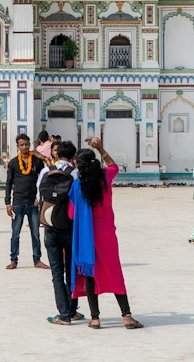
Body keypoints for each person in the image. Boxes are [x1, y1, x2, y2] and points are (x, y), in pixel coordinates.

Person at [70, 141, 143, 329]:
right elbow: (114, 166)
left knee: (89, 274)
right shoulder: (105, 178)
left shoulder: (77, 186)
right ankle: (126, 316)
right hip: (106, 234)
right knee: (114, 272)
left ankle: (95, 318)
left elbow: (72, 214)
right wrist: (100, 148)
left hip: (87, 236)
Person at [39, 139, 81, 325]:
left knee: (56, 272)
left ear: (56, 153)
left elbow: (38, 195)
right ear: (73, 156)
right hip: (70, 226)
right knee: (71, 269)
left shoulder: (45, 171)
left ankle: (63, 315)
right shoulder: (76, 173)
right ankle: (72, 311)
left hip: (50, 224)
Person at [4, 132, 46, 270]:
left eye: (27, 144)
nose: (25, 147)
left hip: (33, 203)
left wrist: (40, 198)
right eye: (22, 145)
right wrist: (8, 203)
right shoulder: (13, 163)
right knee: (15, 234)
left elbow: (44, 177)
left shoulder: (36, 161)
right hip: (18, 203)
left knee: (35, 233)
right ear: (17, 146)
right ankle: (13, 260)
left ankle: (37, 260)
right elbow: (9, 183)